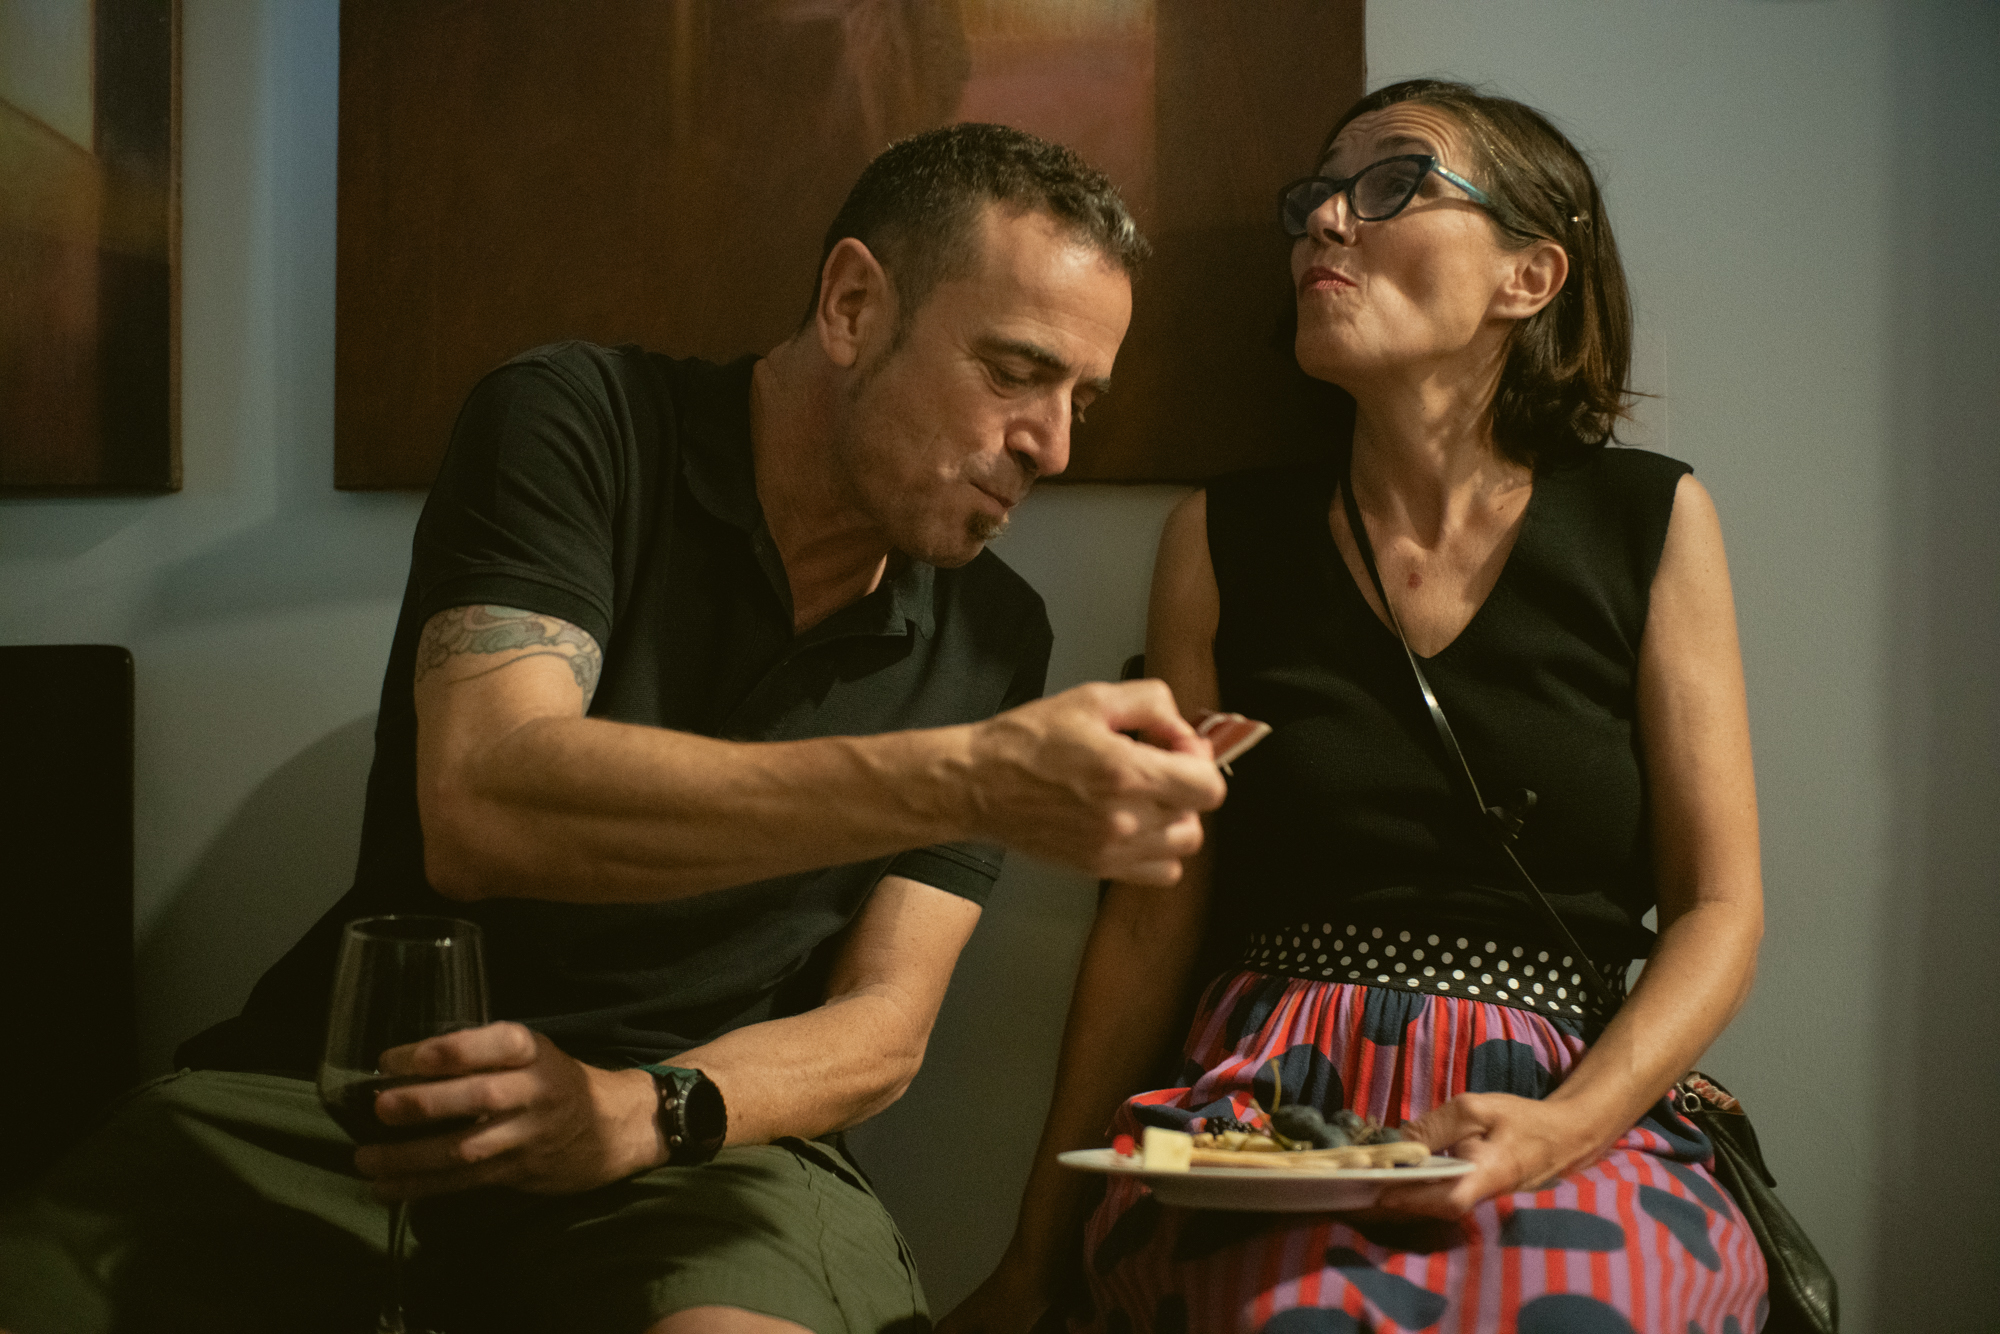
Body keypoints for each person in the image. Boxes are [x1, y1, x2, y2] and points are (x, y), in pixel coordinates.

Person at [0, 124, 1229, 1334]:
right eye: (1013, 371)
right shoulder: (576, 421)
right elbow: (484, 801)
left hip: (706, 1140)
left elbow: (881, 1028)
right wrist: (966, 778)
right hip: (353, 1100)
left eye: (1080, 399)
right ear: (853, 305)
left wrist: (641, 1110)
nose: (1051, 444)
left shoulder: (990, 631)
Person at [945, 81, 1769, 1334]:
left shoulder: (1647, 521)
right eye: (1316, 197)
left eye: (1390, 184)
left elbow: (1717, 905)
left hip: (1566, 1096)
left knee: (1594, 1306)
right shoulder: (1220, 538)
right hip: (1267, 1101)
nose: (1324, 220)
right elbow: (1153, 914)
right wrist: (1031, 1259)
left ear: (1528, 276)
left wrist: (1564, 1126)